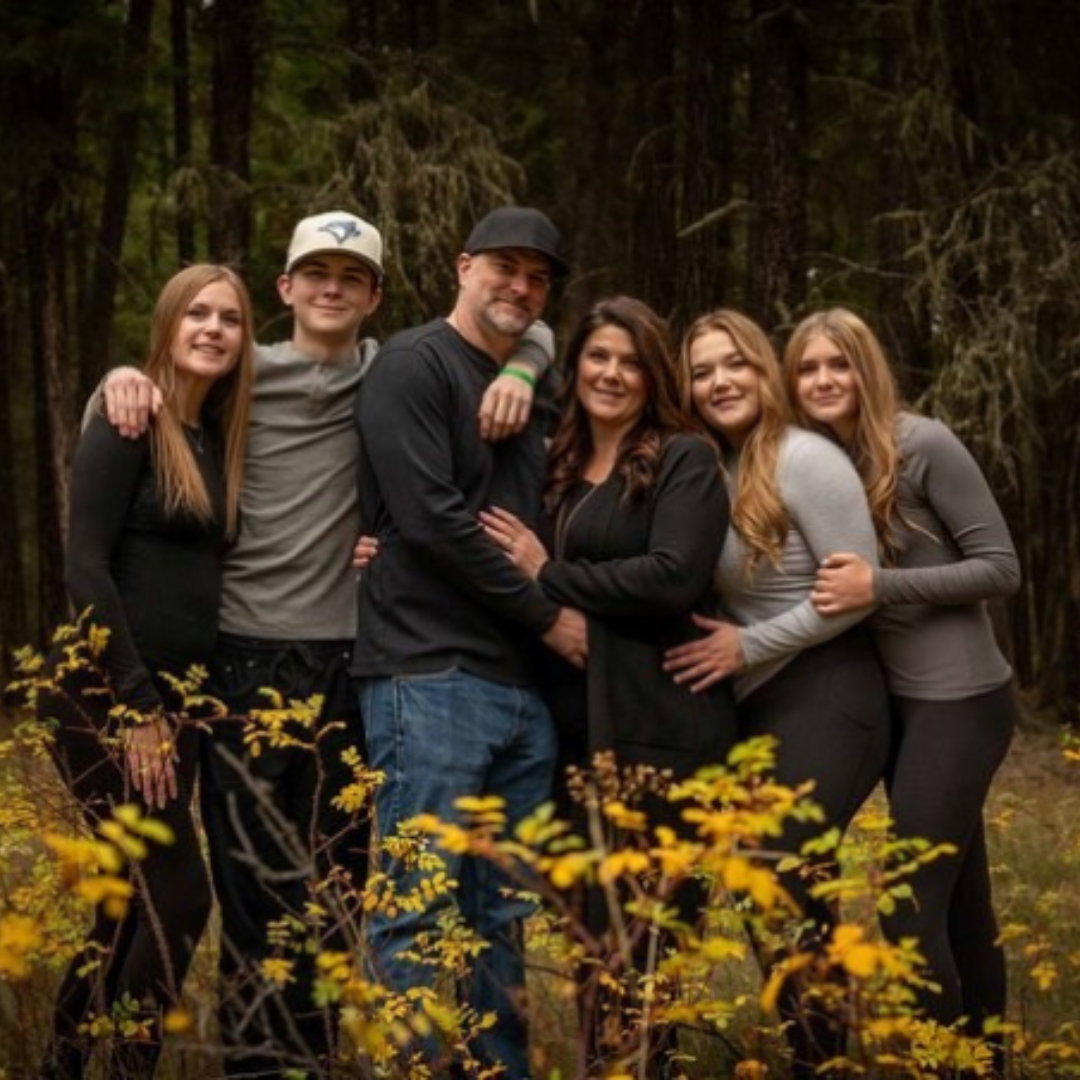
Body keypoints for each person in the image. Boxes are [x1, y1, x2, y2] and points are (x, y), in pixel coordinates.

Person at [99, 210, 557, 1076]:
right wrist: (125, 374)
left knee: (338, 897)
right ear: (287, 288)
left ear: (375, 295)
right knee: (252, 901)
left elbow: (527, 323)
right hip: (247, 660)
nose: (333, 287)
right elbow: (168, 374)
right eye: (316, 273)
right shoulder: (242, 372)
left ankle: (316, 1060)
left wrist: (530, 364)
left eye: (352, 277)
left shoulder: (388, 373)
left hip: (354, 664)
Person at [476, 295, 738, 1075]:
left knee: (646, 959)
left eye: (629, 360)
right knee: (594, 954)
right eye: (598, 357)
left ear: (652, 373)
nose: (612, 373)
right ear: (575, 367)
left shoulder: (685, 458)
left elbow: (672, 577)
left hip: (664, 735)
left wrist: (550, 574)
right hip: (572, 738)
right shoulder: (552, 462)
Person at [352, 206, 586, 1079]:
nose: (520, 286)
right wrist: (547, 612)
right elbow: (433, 521)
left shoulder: (532, 378)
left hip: (522, 694)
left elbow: (558, 343)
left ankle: (500, 1070)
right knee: (416, 907)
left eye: (538, 275)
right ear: (462, 267)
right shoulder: (412, 366)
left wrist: (531, 358)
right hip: (428, 674)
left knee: (500, 918)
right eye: (504, 267)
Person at [785, 308, 1020, 1063]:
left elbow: (1001, 569)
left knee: (909, 911)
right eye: (809, 368)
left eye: (839, 364)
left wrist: (879, 587)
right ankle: (985, 1061)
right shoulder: (811, 460)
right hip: (901, 710)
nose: (824, 380)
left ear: (867, 369)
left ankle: (942, 1064)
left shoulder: (921, 445)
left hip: (963, 702)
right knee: (961, 910)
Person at [38, 264, 255, 1079]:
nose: (212, 329)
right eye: (196, 313)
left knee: (123, 905)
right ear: (166, 325)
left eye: (229, 318)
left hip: (179, 703)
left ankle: (60, 1064)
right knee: (179, 899)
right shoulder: (131, 419)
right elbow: (85, 566)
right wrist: (136, 704)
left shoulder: (210, 436)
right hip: (112, 695)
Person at [662, 308, 892, 1077]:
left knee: (780, 863)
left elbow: (855, 591)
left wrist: (746, 645)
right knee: (770, 883)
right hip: (758, 702)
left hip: (832, 686)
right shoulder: (706, 464)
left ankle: (822, 1062)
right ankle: (815, 1052)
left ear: (764, 370)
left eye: (736, 364)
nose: (720, 381)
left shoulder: (804, 457)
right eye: (702, 371)